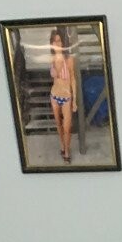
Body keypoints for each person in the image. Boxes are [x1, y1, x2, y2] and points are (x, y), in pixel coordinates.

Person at [49, 27, 77, 163]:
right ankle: (62, 145)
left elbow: (73, 79)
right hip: (54, 95)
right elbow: (54, 76)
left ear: (62, 42)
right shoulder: (52, 59)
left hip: (66, 97)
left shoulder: (69, 59)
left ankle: (66, 151)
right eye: (54, 41)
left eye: (59, 41)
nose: (57, 43)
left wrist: (75, 100)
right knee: (58, 124)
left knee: (67, 127)